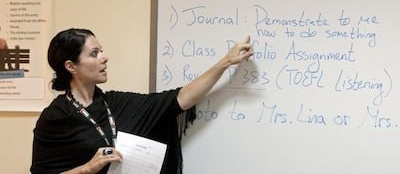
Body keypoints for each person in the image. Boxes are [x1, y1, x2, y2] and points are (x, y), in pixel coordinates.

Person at [30, 28, 253, 174]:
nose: (104, 57)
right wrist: (87, 168)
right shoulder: (55, 117)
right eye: (94, 53)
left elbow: (181, 98)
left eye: (102, 51)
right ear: (71, 66)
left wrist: (225, 62)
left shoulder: (116, 104)